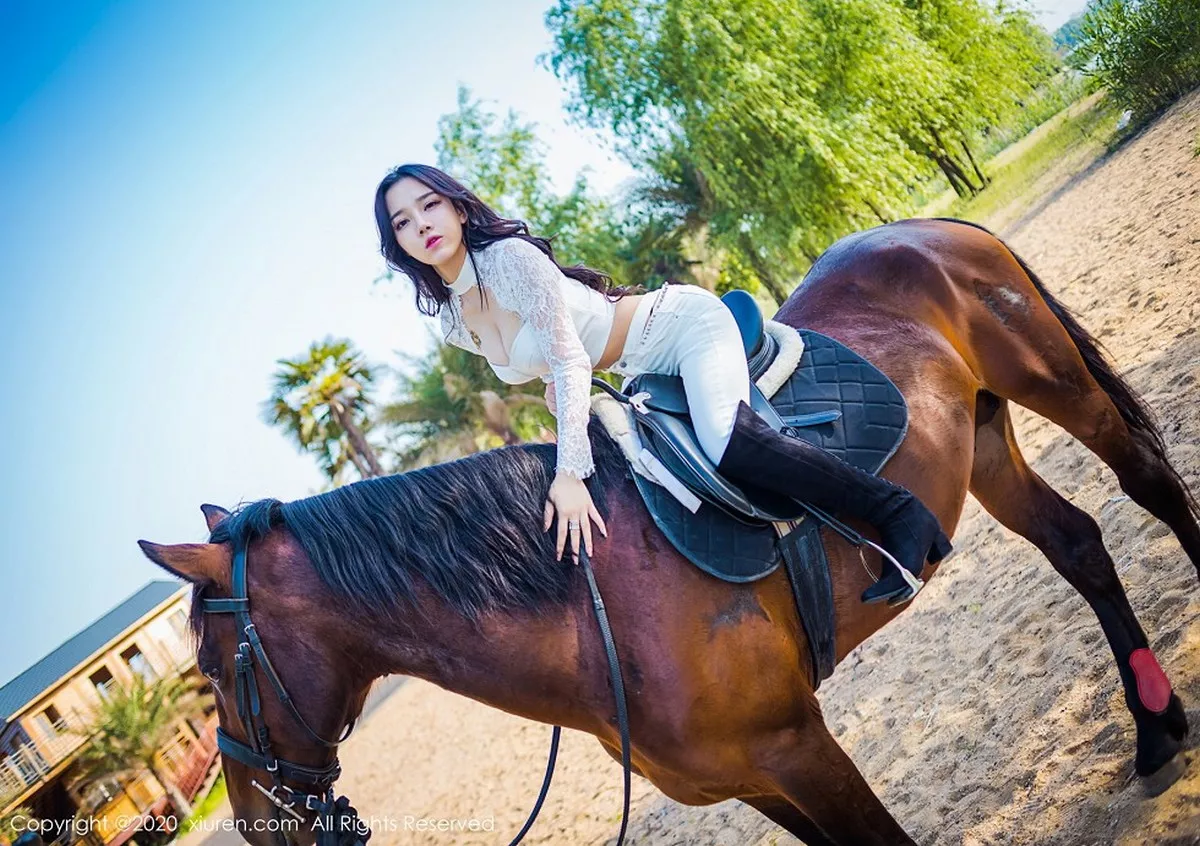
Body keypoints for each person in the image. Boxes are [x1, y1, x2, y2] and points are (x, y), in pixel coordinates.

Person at [373, 164, 951, 604]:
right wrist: (559, 399)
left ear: (459, 209)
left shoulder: (509, 260)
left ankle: (900, 512)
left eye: (430, 205)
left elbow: (572, 359)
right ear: (396, 242)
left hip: (679, 329)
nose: (421, 224)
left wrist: (568, 472)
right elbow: (551, 365)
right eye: (403, 220)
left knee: (729, 440)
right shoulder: (450, 319)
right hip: (636, 373)